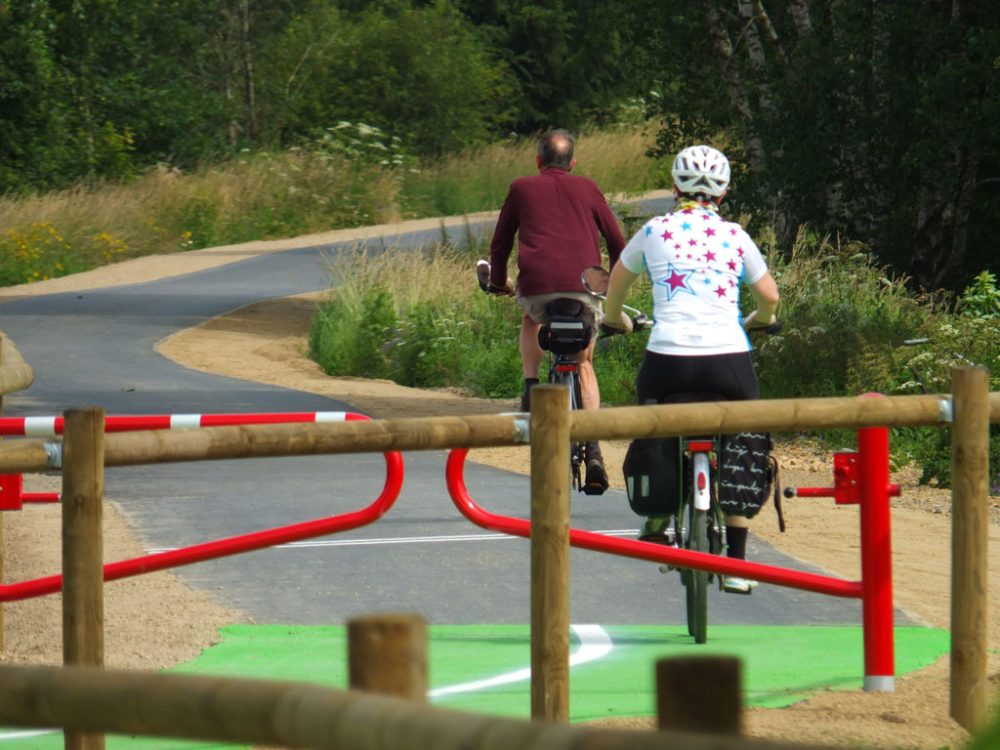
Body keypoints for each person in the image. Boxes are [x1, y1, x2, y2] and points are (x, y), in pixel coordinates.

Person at [603, 144, 779, 593]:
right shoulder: (736, 236)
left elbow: (614, 292)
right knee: (744, 438)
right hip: (728, 360)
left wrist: (614, 319)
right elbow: (770, 297)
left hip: (668, 360)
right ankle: (738, 566)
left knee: (653, 420)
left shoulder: (653, 230)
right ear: (723, 193)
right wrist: (762, 320)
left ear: (675, 185)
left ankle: (659, 515)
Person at [486, 129, 626, 495]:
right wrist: (611, 283)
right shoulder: (589, 188)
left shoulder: (521, 187)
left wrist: (499, 281)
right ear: (573, 163)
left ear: (537, 161)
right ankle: (593, 448)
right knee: (584, 363)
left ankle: (531, 387)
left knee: (531, 318)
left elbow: (499, 244)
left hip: (538, 288)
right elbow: (617, 241)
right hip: (585, 289)